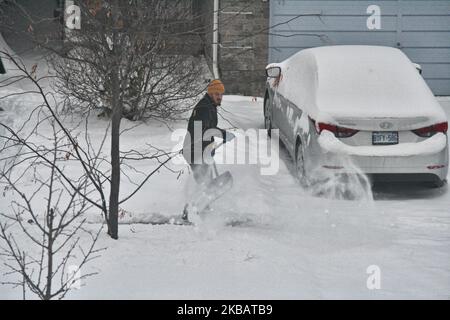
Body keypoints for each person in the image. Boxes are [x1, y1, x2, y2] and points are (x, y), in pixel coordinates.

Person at [182, 79, 234, 220]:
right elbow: (202, 130)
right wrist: (223, 134)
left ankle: (202, 208)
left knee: (206, 183)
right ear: (210, 93)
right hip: (194, 151)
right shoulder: (204, 108)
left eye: (221, 94)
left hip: (200, 150)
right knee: (205, 184)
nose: (219, 97)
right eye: (217, 93)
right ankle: (190, 213)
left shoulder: (209, 105)